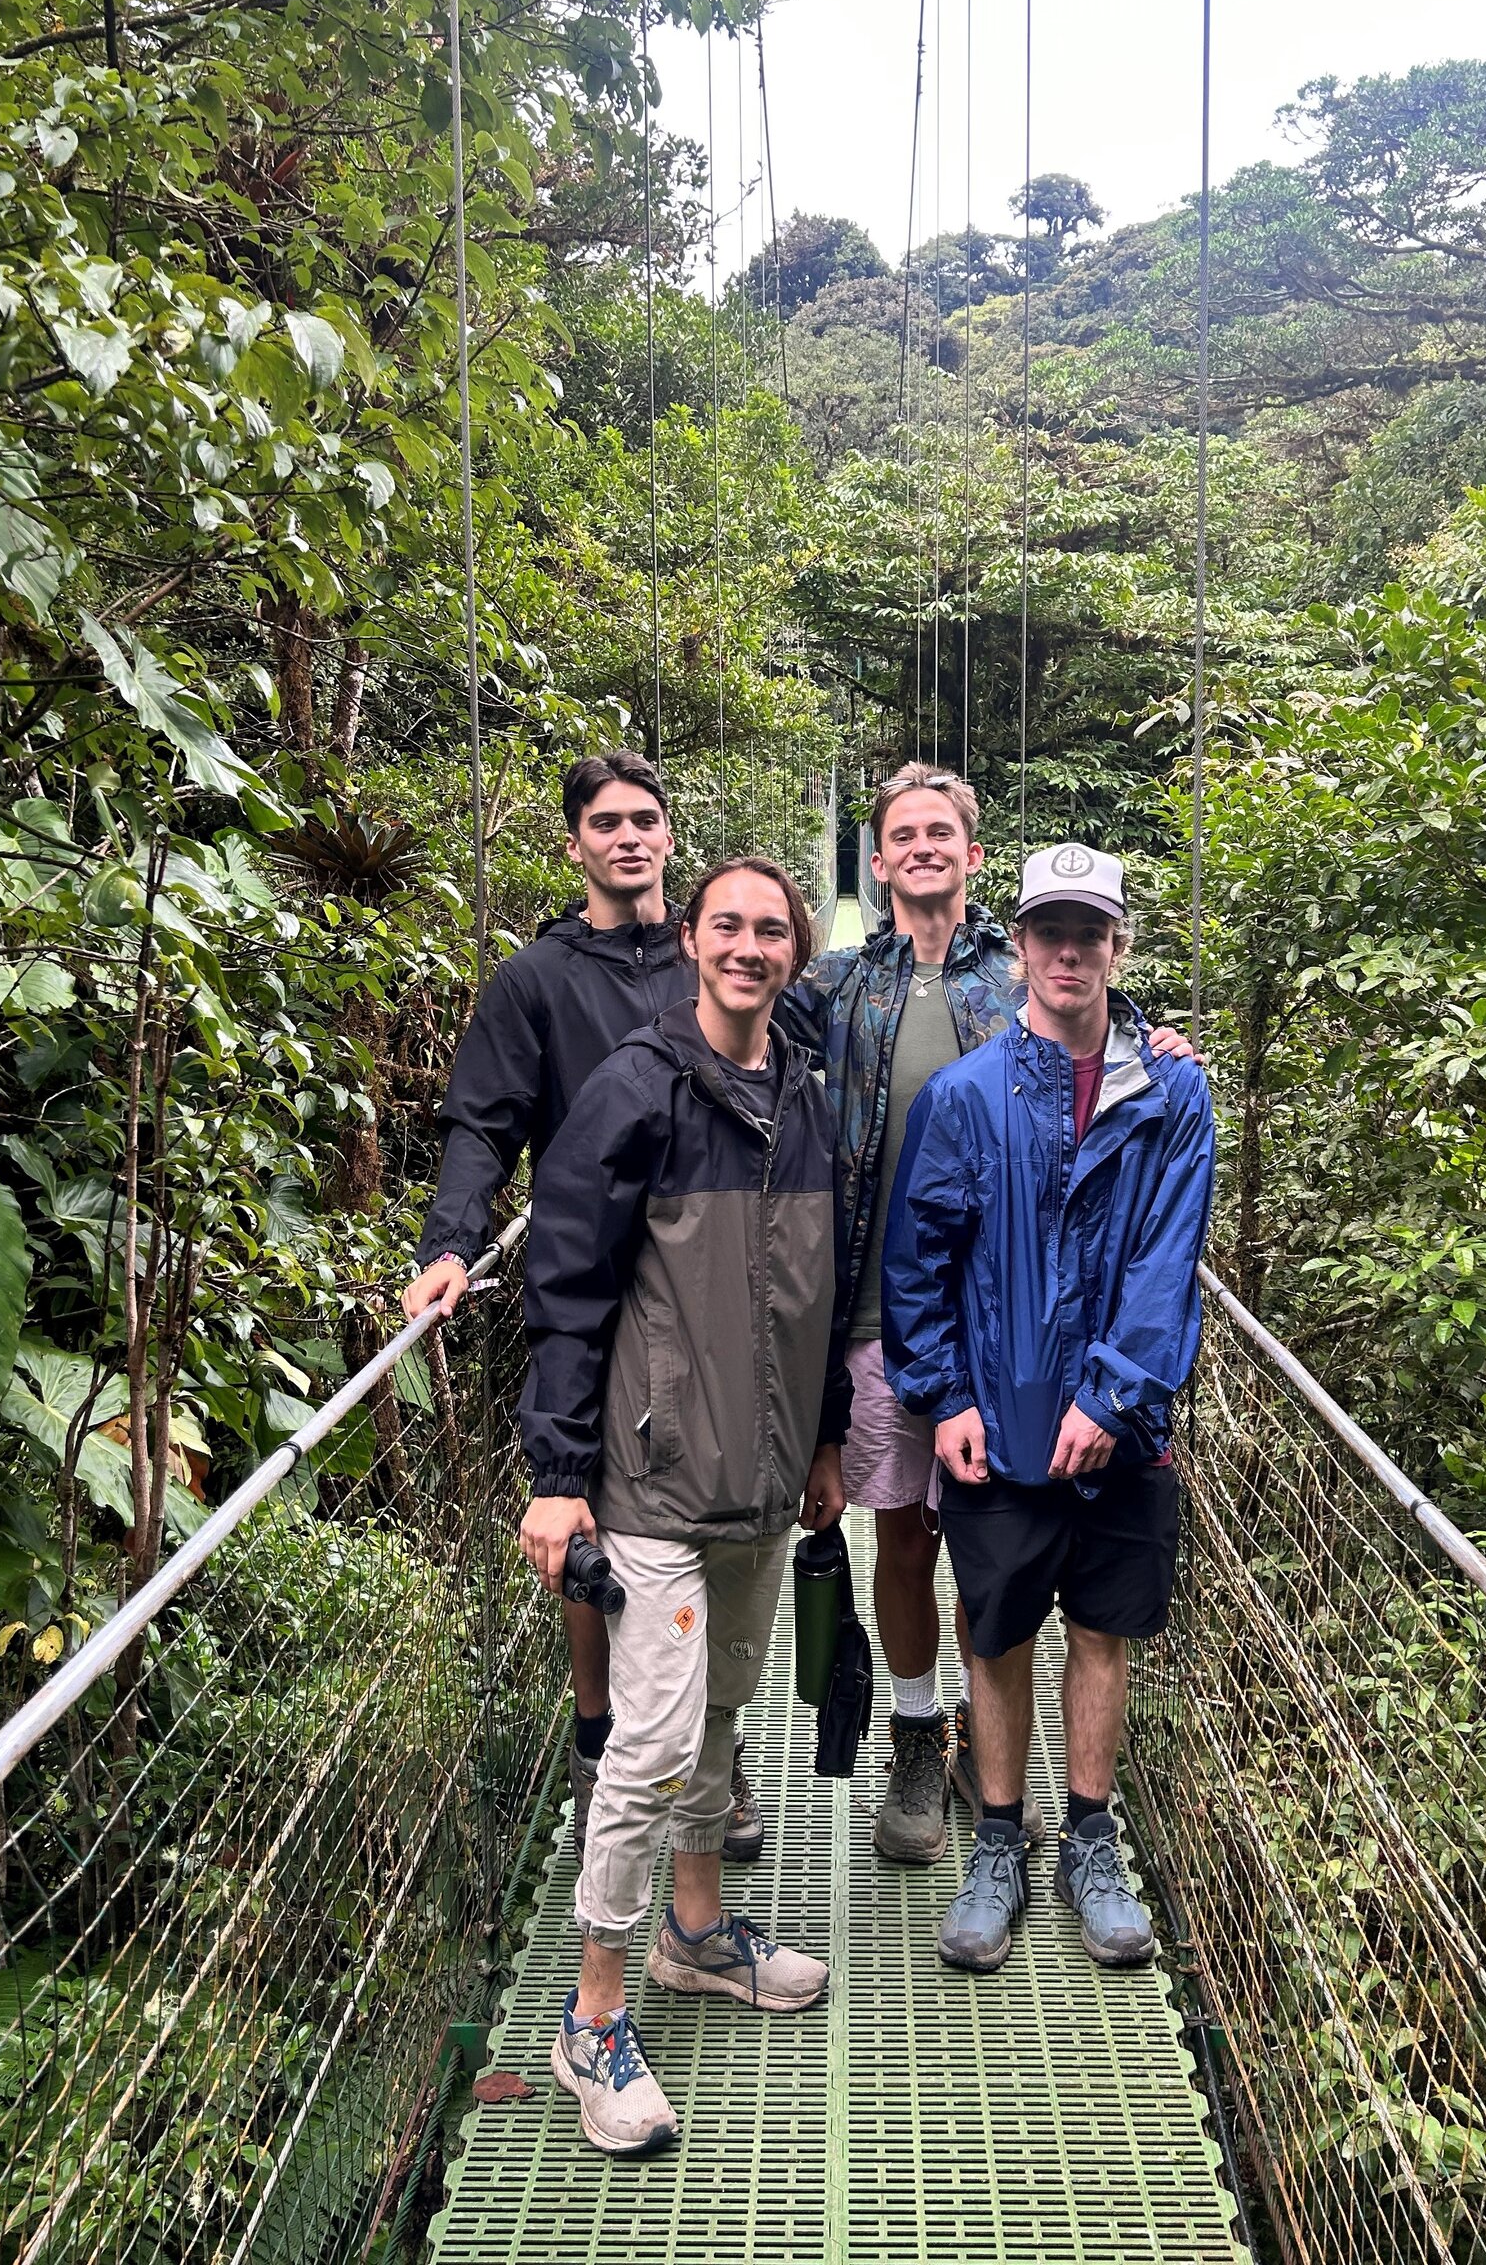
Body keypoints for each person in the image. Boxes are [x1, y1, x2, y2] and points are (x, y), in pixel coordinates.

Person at [780, 764, 1196, 1868]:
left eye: (941, 833)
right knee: (905, 1533)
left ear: (973, 857)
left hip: (1020, 1326)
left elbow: (1084, 1015)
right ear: (875, 861)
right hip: (885, 1311)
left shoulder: (1011, 970)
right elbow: (724, 1005)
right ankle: (923, 1735)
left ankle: (986, 1749)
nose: (920, 847)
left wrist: (1157, 1044)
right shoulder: (835, 982)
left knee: (992, 1547)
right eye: (900, 834)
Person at [518, 858, 850, 2155]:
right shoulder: (635, 1090)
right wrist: (557, 1479)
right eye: (730, 926)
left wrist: (821, 1445)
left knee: (719, 1715)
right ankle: (590, 2019)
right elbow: (566, 1280)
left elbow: (820, 1293)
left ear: (794, 951)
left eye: (773, 930)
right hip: (650, 1477)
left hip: (761, 1480)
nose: (750, 948)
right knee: (652, 1743)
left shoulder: (804, 1103)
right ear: (692, 941)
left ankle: (695, 1934)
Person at [402, 752, 766, 1864]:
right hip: (591, 1278)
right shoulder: (535, 981)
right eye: (605, 822)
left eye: (646, 819)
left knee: (695, 1508)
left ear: (670, 834)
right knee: (584, 1513)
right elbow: (484, 1121)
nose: (628, 837)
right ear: (574, 843)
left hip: (706, 1283)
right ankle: (601, 1736)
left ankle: (707, 1758)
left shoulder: (712, 952)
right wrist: (452, 1241)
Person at [882, 843, 1215, 1974]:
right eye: (1050, 931)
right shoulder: (964, 1096)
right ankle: (996, 1840)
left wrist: (1119, 1394)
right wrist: (945, 1398)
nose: (1070, 951)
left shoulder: (1173, 1092)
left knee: (1102, 1635)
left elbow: (1170, 1258)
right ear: (1017, 943)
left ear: (1117, 946)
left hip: (1123, 1435)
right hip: (1000, 1423)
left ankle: (1087, 1838)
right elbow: (917, 1261)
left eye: (1091, 932)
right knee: (998, 1630)